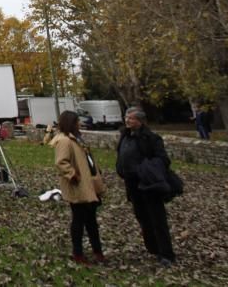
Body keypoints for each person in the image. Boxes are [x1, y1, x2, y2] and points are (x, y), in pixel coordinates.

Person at [116, 107, 176, 266]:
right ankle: (153, 247)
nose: (127, 120)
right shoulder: (125, 136)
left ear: (140, 121)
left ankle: (166, 253)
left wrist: (145, 169)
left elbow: (163, 160)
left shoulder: (151, 138)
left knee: (157, 218)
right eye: (126, 117)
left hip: (148, 183)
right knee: (142, 216)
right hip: (131, 183)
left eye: (131, 118)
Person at [50, 110, 105, 265]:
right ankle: (78, 253)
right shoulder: (65, 140)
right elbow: (61, 162)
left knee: (91, 220)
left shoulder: (77, 138)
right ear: (70, 123)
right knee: (79, 220)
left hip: (89, 183)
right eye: (76, 121)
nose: (79, 124)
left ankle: (97, 250)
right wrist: (73, 175)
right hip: (78, 186)